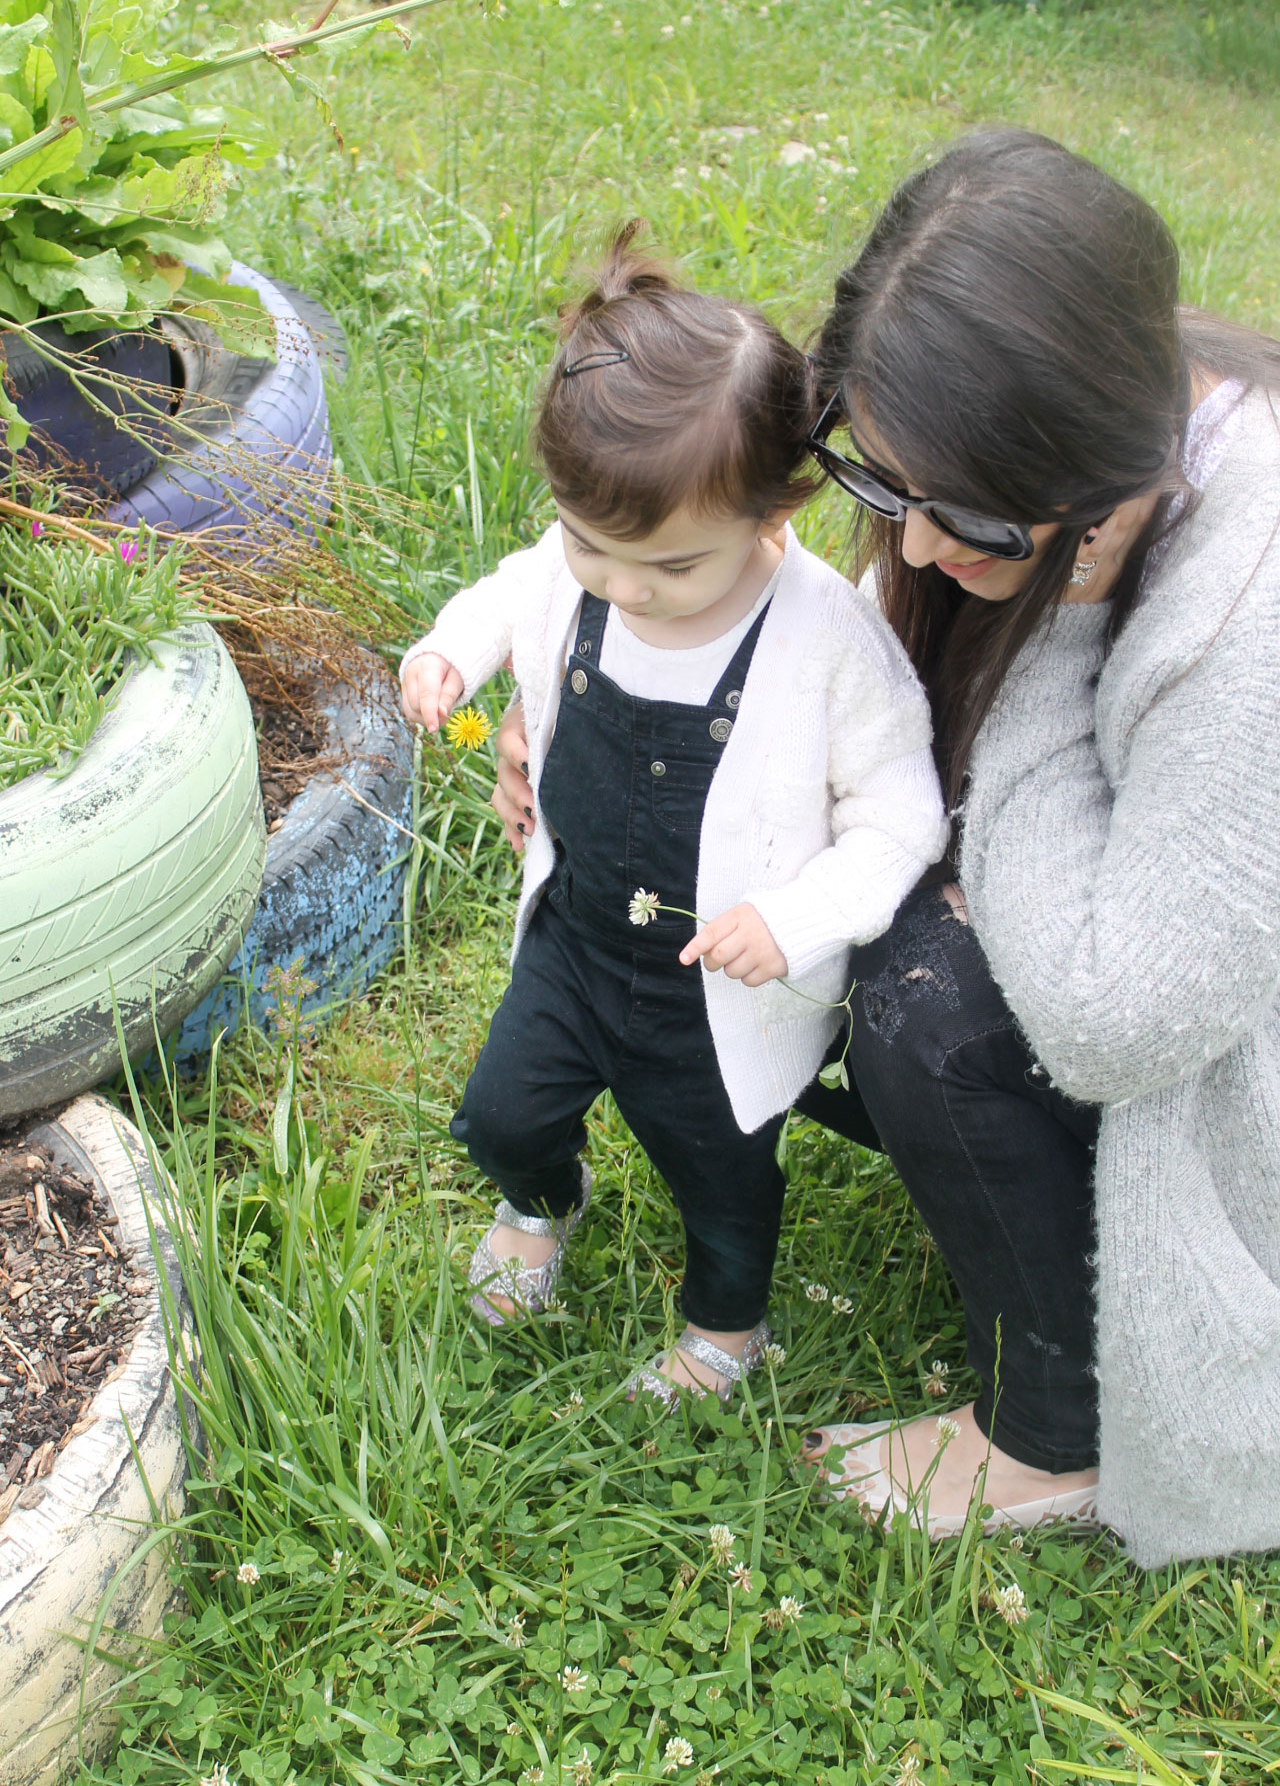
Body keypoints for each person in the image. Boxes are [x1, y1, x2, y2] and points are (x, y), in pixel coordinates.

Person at [490, 134, 1280, 1566]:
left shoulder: (1251, 603)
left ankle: (1055, 1435)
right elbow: (853, 687)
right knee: (866, 903)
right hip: (1139, 905)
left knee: (923, 999)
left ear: (1097, 457)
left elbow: (1120, 1022)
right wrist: (575, 740)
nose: (911, 554)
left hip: (1226, 1053)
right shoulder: (1064, 424)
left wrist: (1068, 620)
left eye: (966, 516)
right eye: (879, 486)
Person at [400, 227, 946, 1407]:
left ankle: (725, 1328)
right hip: (577, 943)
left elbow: (901, 817)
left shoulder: (827, 645)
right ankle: (542, 1197)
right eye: (591, 547)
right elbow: (509, 590)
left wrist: (796, 919)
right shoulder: (577, 567)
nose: (622, 588)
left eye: (670, 568)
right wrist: (449, 653)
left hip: (722, 986)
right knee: (499, 1111)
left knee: (721, 1170)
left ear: (773, 512)